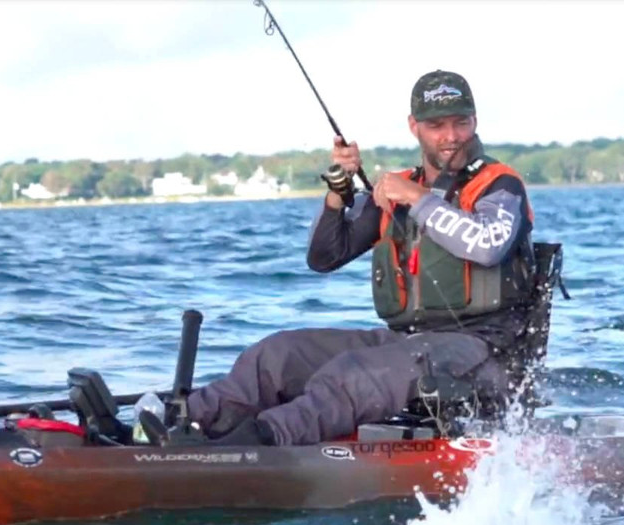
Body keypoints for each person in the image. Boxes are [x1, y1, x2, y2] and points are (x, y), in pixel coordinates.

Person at [184, 69, 537, 446]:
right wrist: (339, 192)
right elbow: (324, 257)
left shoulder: (499, 184)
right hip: (409, 343)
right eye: (437, 125)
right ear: (414, 127)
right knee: (275, 356)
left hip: (486, 352)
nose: (451, 136)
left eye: (461, 123)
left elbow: (488, 244)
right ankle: (182, 424)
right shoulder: (398, 188)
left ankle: (255, 444)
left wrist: (418, 198)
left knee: (355, 375)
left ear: (475, 122)